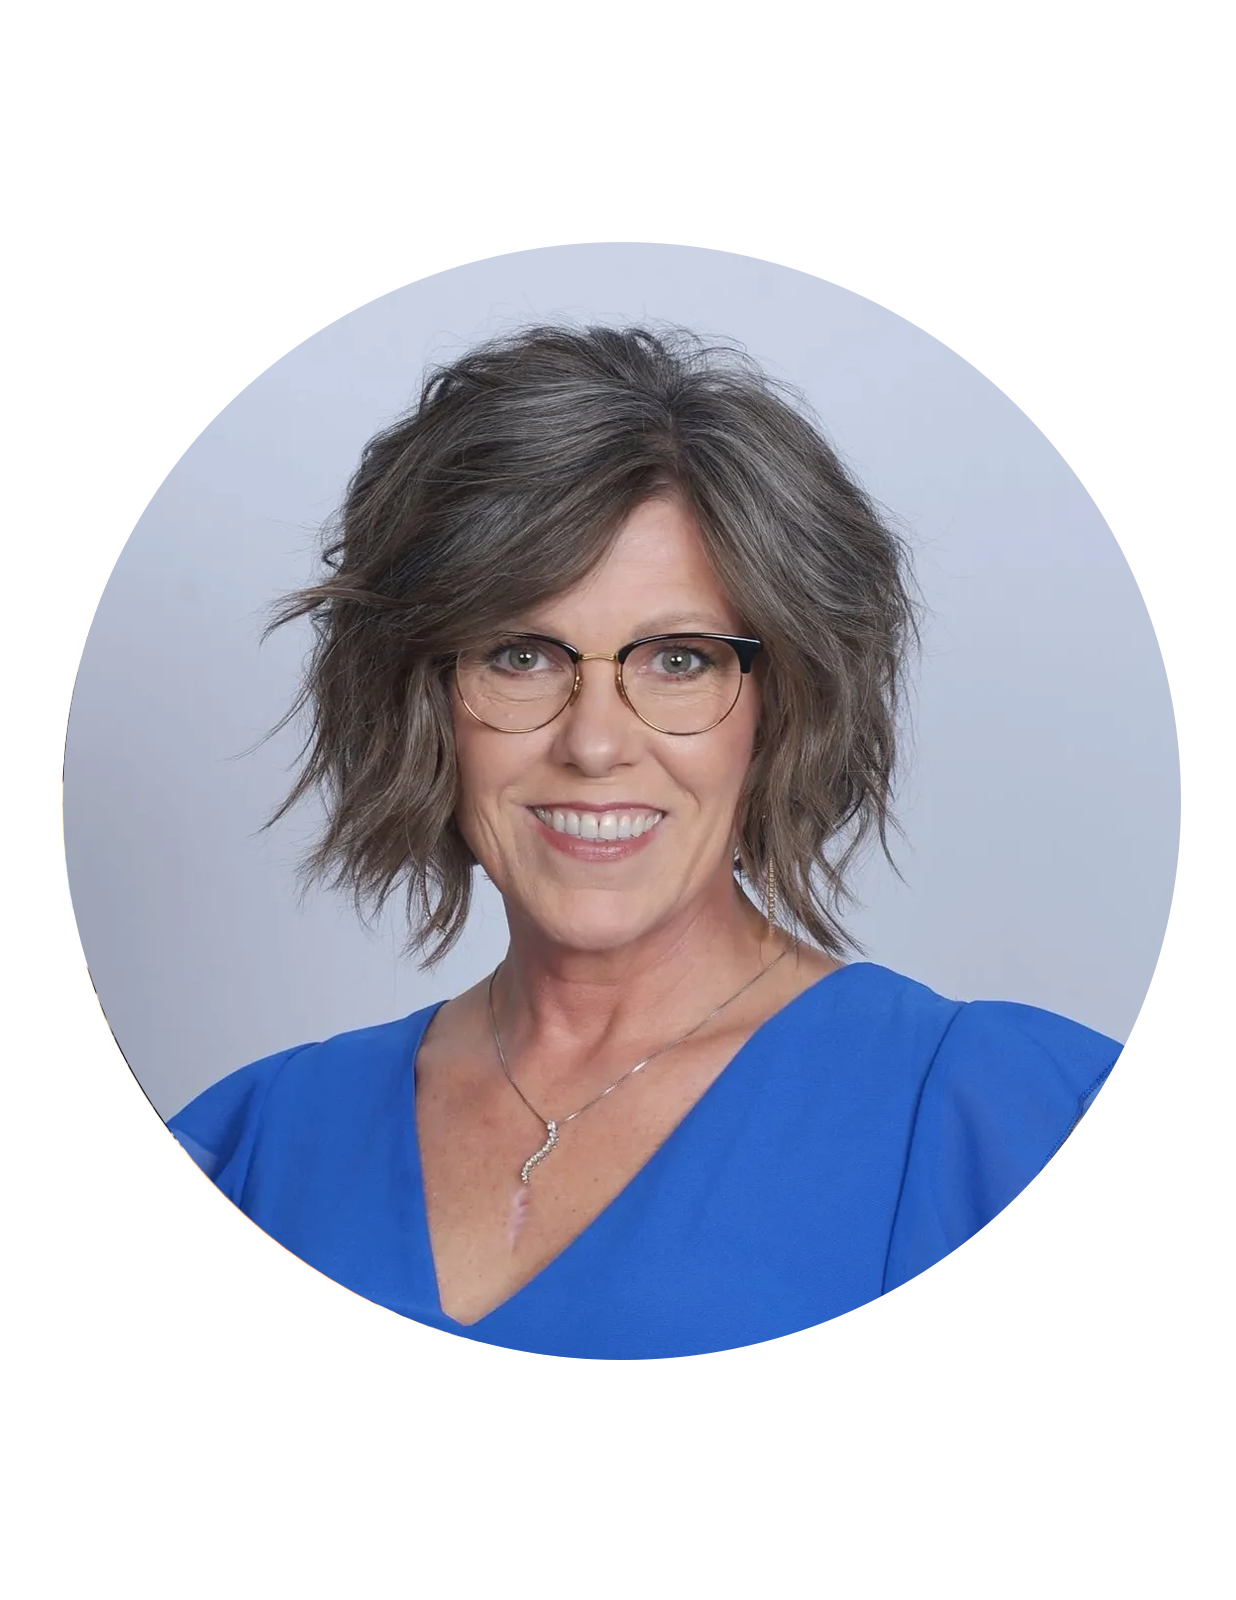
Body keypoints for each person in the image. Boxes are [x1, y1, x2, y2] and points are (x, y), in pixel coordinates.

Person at [168, 324, 1120, 1359]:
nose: (594, 742)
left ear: (782, 706)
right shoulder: (253, 1147)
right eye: (522, 654)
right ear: (422, 700)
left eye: (678, 659)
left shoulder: (1014, 1124)